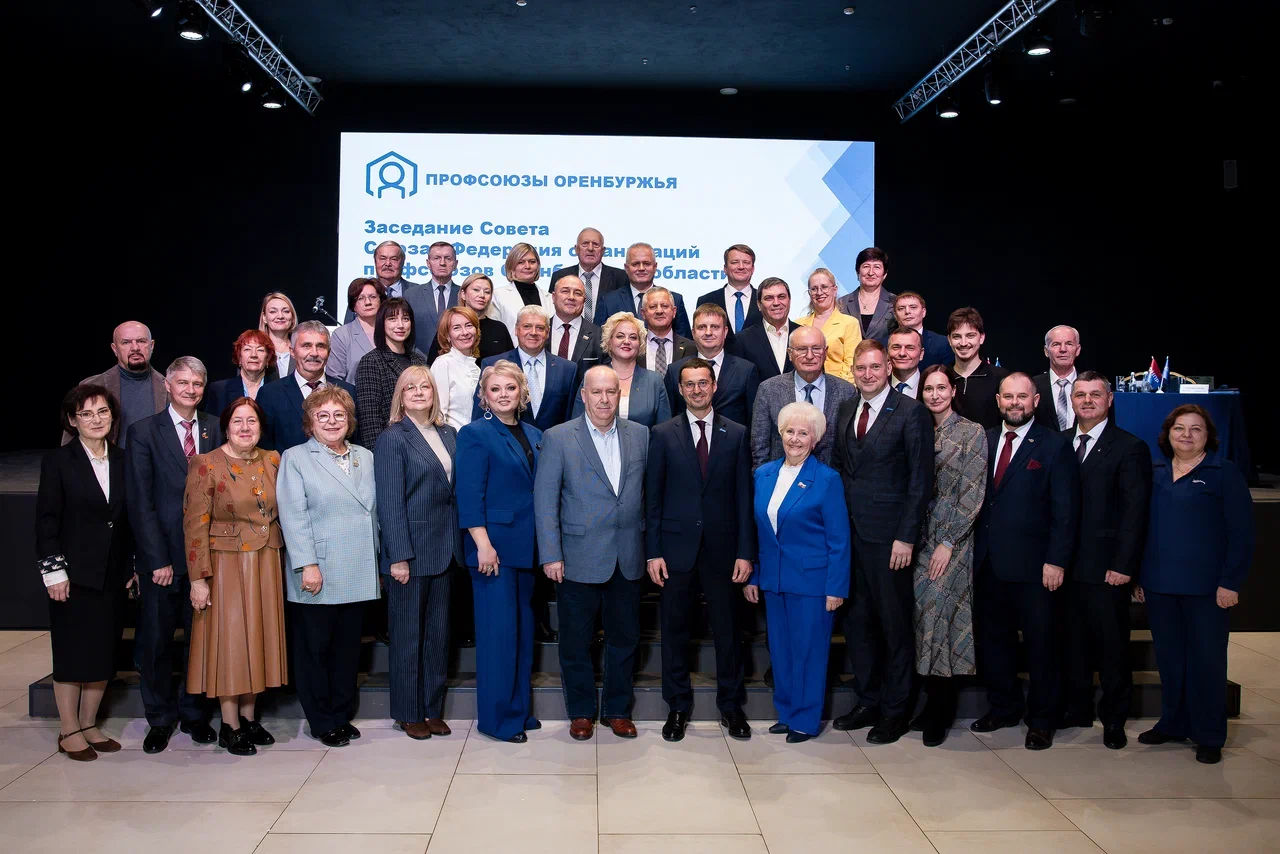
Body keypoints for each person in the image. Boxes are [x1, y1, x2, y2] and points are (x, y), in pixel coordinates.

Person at [534, 366, 649, 741]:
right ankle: (581, 712)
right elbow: (545, 501)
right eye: (596, 392)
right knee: (575, 642)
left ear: (620, 395)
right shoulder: (558, 437)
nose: (604, 399)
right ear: (583, 395)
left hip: (627, 555)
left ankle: (617, 710)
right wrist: (551, 554)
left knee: (625, 639)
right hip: (576, 556)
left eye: (611, 392)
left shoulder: (641, 435)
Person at [1136, 404, 1254, 764]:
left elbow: (1242, 533)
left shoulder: (1223, 473)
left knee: (1207, 662)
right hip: (1160, 586)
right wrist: (1140, 577)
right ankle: (1173, 722)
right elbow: (1141, 529)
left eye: (1195, 429)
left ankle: (1209, 734)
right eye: (1179, 428)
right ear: (1167, 434)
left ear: (1208, 436)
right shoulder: (1154, 472)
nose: (1186, 435)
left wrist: (1230, 582)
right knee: (1171, 660)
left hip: (1207, 589)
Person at [646, 357, 756, 742]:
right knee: (675, 631)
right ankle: (677, 706)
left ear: (714, 386)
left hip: (724, 551)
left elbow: (744, 498)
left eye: (703, 383)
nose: (696, 390)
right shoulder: (662, 434)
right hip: (675, 550)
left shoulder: (737, 434)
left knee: (728, 631)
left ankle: (731, 706)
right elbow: (653, 498)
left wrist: (746, 552)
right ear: (680, 389)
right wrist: (653, 551)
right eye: (689, 384)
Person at [831, 340, 934, 744]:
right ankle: (869, 699)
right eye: (861, 368)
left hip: (890, 540)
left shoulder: (911, 412)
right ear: (853, 372)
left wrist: (906, 536)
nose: (868, 374)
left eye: (875, 367)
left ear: (889, 367)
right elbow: (840, 467)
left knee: (894, 626)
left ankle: (896, 710)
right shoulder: (845, 409)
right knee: (858, 624)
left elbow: (920, 480)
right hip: (850, 536)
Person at [971, 372, 1080, 750]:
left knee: (1041, 646)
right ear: (998, 401)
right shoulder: (982, 439)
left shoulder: (1054, 445)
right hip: (987, 563)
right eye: (1008, 396)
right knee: (994, 642)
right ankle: (1004, 707)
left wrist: (1057, 561)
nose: (1014, 403)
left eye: (1022, 396)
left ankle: (1042, 719)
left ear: (1035, 401)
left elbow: (1066, 510)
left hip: (1036, 568)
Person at [125, 357, 223, 754]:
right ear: (167, 385)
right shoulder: (143, 432)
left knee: (200, 642)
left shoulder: (216, 427)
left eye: (197, 383)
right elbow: (140, 502)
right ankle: (161, 718)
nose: (190, 390)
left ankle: (195, 714)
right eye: (182, 382)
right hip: (163, 561)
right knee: (157, 642)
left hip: (207, 557)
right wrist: (156, 559)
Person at [183, 397, 287, 756]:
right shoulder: (206, 464)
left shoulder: (273, 460)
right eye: (238, 421)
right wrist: (198, 579)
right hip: (225, 564)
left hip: (266, 561)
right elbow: (194, 526)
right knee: (231, 641)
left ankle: (249, 717)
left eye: (252, 421)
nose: (245, 428)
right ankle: (229, 725)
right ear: (226, 427)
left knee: (257, 637)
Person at [278, 386, 381, 747]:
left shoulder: (365, 456)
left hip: (358, 566)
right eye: (323, 415)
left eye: (339, 415)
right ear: (310, 422)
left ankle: (340, 713)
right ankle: (321, 720)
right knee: (316, 650)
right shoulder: (295, 458)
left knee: (347, 650)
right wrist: (307, 564)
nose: (332, 421)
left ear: (350, 421)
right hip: (318, 569)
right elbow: (293, 516)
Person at [744, 402, 850, 742]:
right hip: (774, 580)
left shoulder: (827, 479)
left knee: (809, 653)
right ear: (780, 433)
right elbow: (759, 532)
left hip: (813, 583)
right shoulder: (764, 474)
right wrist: (755, 576)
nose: (795, 438)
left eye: (803, 433)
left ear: (815, 439)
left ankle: (805, 720)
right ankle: (787, 713)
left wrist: (836, 587)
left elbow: (839, 540)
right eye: (790, 431)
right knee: (781, 651)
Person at [37, 384, 132, 761]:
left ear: (113, 417)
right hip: (73, 575)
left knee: (103, 650)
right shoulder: (59, 461)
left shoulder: (123, 459)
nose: (96, 420)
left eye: (103, 412)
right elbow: (47, 521)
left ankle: (90, 723)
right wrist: (53, 572)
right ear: (73, 420)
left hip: (113, 573)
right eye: (87, 414)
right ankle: (69, 729)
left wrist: (132, 567)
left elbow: (127, 520)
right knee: (72, 652)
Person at [1060, 372, 1151, 750]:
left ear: (1109, 400)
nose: (1087, 401)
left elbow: (1135, 512)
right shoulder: (1060, 443)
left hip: (1107, 569)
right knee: (1073, 644)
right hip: (1064, 567)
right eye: (1080, 394)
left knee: (1112, 648)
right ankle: (1077, 709)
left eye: (1095, 394)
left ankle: (1114, 717)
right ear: (1071, 400)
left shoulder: (1129, 448)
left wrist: (1125, 565)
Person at [374, 367, 463, 741]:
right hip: (410, 554)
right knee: (408, 637)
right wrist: (397, 555)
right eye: (410, 387)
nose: (418, 391)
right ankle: (408, 712)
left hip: (446, 550)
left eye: (425, 386)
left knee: (437, 637)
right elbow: (390, 502)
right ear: (400, 395)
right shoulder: (393, 438)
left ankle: (431, 708)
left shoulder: (449, 434)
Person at [456, 361, 543, 743]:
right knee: (498, 638)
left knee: (521, 635)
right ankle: (497, 720)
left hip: (526, 548)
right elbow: (468, 494)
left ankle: (519, 711)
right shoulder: (475, 434)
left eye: (510, 388)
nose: (504, 394)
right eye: (495, 389)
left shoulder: (535, 433)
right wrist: (483, 545)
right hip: (493, 550)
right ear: (484, 396)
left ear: (522, 392)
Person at [909, 366, 987, 747]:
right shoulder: (919, 427)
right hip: (918, 540)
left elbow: (973, 492)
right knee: (923, 620)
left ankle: (942, 709)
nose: (935, 394)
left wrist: (949, 541)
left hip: (951, 541)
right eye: (929, 389)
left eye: (941, 388)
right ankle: (929, 702)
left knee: (942, 619)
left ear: (953, 390)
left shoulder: (972, 432)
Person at [750, 326, 856, 469]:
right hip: (782, 478)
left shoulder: (846, 391)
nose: (810, 356)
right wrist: (763, 478)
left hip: (831, 478)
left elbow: (849, 448)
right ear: (790, 353)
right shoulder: (768, 389)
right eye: (802, 349)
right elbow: (759, 446)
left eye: (816, 348)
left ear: (825, 352)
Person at [475, 305, 577, 432]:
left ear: (547, 332)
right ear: (516, 330)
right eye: (527, 326)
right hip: (505, 441)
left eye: (540, 328)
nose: (533, 332)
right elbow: (481, 411)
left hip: (554, 442)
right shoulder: (493, 365)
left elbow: (571, 418)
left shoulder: (568, 369)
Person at [257, 322, 356, 451]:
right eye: (306, 346)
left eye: (321, 346)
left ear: (329, 352)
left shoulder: (349, 391)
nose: (314, 353)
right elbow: (263, 448)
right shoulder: (270, 394)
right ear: (292, 351)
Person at [66, 321, 166, 448]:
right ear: (115, 349)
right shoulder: (92, 386)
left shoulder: (169, 388)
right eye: (126, 342)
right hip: (106, 460)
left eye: (141, 341)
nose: (135, 348)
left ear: (151, 346)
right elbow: (70, 439)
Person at [571, 312, 671, 427]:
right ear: (609, 341)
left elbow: (664, 429)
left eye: (633, 337)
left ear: (640, 344)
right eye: (620, 336)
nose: (627, 341)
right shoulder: (592, 377)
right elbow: (577, 426)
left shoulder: (654, 381)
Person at [666, 303, 759, 427]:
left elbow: (754, 420)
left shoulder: (746, 370)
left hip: (732, 439)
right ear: (693, 332)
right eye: (702, 327)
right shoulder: (675, 370)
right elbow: (668, 420)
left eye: (715, 327)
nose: (708, 332)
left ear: (725, 331)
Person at [355, 298, 430, 448]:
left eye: (405, 319)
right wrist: (379, 454)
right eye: (392, 319)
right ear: (381, 323)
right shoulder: (371, 361)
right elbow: (370, 420)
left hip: (423, 443)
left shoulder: (419, 360)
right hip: (391, 446)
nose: (400, 325)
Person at [595, 243, 692, 338]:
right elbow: (598, 340)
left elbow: (684, 341)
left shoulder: (675, 299)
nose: (641, 268)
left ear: (655, 267)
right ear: (626, 268)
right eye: (635, 264)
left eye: (646, 264)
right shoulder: (608, 301)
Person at [426, 272, 514, 363]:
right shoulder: (449, 324)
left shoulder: (499, 328)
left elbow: (511, 363)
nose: (482, 295)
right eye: (476, 290)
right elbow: (432, 364)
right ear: (463, 294)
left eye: (487, 292)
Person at [549, 227, 629, 324]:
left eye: (595, 244)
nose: (590, 248)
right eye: (585, 244)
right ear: (576, 249)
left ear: (603, 250)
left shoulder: (621, 277)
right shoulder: (560, 276)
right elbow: (553, 310)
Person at [946, 307, 1008, 430]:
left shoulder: (1001, 377)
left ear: (981, 338)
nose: (963, 343)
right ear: (949, 340)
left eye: (970, 336)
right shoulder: (942, 376)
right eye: (957, 336)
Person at [796, 268, 863, 382]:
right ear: (809, 293)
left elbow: (852, 363)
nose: (819, 292)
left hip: (839, 387)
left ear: (835, 290)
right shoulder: (798, 325)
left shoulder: (849, 323)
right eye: (814, 289)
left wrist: (839, 389)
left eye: (824, 287)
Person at [697, 243, 762, 349]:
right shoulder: (706, 300)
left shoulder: (765, 300)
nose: (741, 267)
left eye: (746, 262)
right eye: (735, 262)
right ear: (725, 268)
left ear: (753, 268)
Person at [734, 277, 798, 382]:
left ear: (789, 300)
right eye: (769, 298)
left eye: (781, 297)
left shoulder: (805, 335)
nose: (776, 303)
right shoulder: (742, 340)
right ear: (759, 305)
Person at [430, 305, 483, 430]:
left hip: (478, 437)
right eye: (457, 328)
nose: (465, 332)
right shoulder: (443, 364)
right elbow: (438, 414)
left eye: (469, 325)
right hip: (455, 438)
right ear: (447, 335)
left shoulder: (477, 368)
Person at [344, 240, 424, 322]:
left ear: (402, 263)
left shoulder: (417, 292)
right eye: (383, 259)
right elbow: (348, 326)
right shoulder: (361, 291)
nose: (388, 263)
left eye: (394, 259)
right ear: (375, 262)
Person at [205, 330, 278, 417]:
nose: (254, 355)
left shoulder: (279, 390)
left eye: (260, 350)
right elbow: (212, 424)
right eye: (247, 349)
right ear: (239, 357)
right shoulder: (220, 390)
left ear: (268, 358)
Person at [328, 277, 386, 385]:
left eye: (373, 297)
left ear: (381, 301)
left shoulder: (393, 331)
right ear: (353, 305)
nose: (368, 302)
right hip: (353, 395)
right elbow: (334, 380)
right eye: (360, 298)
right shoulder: (342, 335)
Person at [492, 243, 555, 337]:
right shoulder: (497, 296)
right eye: (521, 262)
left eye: (532, 262)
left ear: (538, 265)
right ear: (511, 266)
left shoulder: (550, 298)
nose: (527, 266)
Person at [836, 247, 897, 344]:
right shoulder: (841, 303)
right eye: (866, 266)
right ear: (858, 272)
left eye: (877, 267)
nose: (871, 272)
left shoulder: (895, 303)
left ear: (884, 274)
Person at [404, 241, 460, 337]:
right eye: (436, 258)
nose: (442, 263)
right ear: (428, 263)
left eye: (448, 258)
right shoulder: (411, 295)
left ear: (455, 264)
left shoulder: (464, 294)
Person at [547, 274, 604, 367]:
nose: (571, 297)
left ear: (584, 300)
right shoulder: (539, 330)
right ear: (553, 297)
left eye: (577, 293)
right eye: (565, 291)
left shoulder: (600, 335)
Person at [1034, 325, 1083, 430]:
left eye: (1069, 344)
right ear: (1046, 351)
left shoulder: (1091, 386)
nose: (1063, 349)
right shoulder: (1032, 386)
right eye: (1056, 344)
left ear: (1078, 350)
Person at [639, 286, 697, 373]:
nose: (659, 311)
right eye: (653, 307)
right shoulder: (635, 347)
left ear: (674, 311)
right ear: (643, 313)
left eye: (665, 306)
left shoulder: (692, 348)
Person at [892, 292, 953, 370]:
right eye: (901, 308)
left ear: (923, 312)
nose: (907, 311)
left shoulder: (942, 343)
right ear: (895, 315)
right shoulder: (884, 343)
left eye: (913, 307)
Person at [259, 292, 298, 377]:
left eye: (286, 311)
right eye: (273, 311)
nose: (280, 316)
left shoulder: (300, 349)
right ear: (264, 317)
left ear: (292, 317)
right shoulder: (254, 350)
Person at [886, 328, 924, 399]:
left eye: (910, 348)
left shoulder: (929, 385)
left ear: (921, 354)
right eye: (896, 347)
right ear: (888, 352)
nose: (902, 353)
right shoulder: (877, 385)